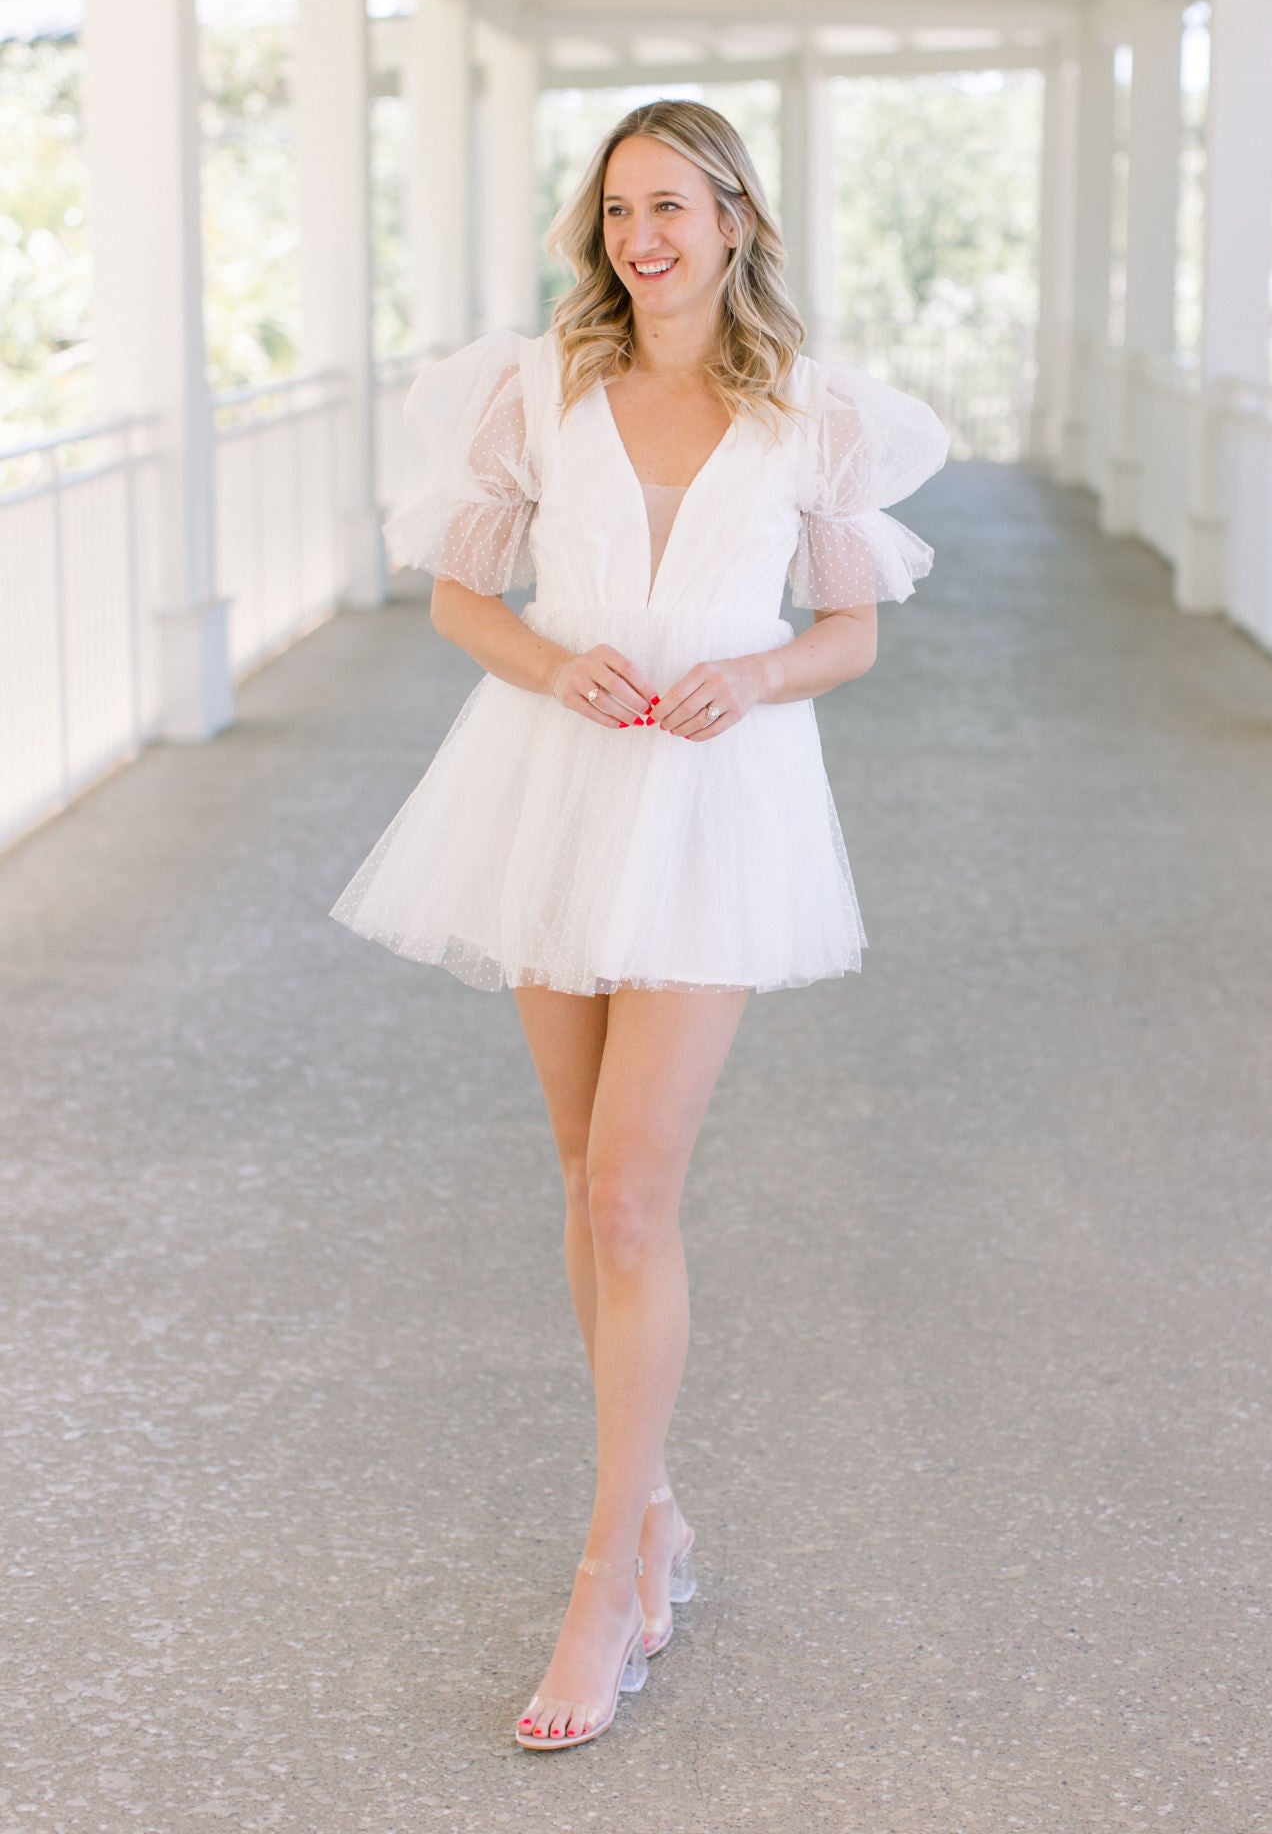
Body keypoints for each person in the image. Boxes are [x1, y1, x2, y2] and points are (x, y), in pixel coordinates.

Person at [328, 98, 950, 1750]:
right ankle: (656, 1509)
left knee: (631, 1185)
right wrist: (556, 661)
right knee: (573, 1171)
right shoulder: (534, 388)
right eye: (616, 210)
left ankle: (608, 1575)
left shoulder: (811, 411)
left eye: (669, 205)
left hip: (714, 801)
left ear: (735, 219)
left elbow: (850, 633)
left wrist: (749, 671)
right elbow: (463, 595)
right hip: (553, 780)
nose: (639, 238)